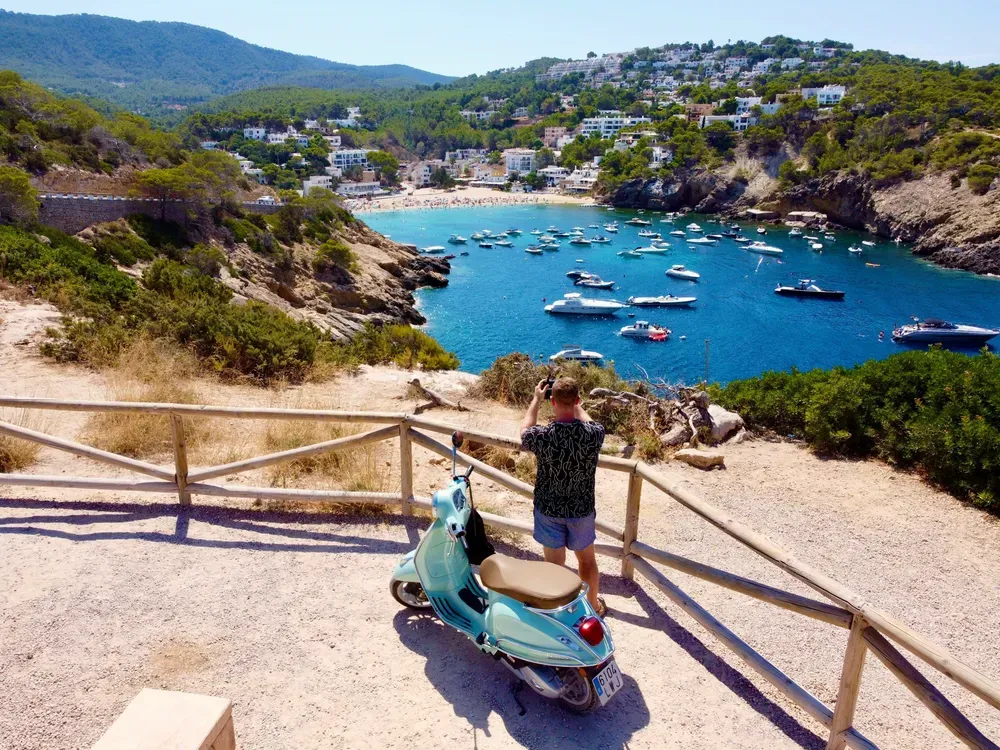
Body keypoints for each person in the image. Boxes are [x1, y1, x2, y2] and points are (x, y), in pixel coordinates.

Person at [521, 377, 607, 616]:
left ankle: (557, 611)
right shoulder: (593, 435)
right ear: (578, 400)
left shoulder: (542, 436)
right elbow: (590, 422)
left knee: (554, 566)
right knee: (587, 562)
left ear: (552, 402)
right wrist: (574, 404)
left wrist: (537, 399)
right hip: (581, 509)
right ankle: (592, 609)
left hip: (549, 508)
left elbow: (525, 429)